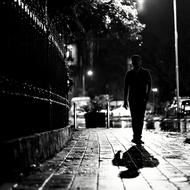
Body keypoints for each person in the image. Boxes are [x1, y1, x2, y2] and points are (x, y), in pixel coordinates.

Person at [123, 55, 151, 145]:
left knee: (140, 118)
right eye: (134, 61)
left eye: (137, 61)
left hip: (142, 98)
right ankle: (136, 136)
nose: (136, 63)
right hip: (132, 98)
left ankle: (138, 136)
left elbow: (149, 84)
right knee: (134, 118)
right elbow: (126, 87)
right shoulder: (129, 73)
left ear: (140, 62)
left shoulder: (145, 72)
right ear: (132, 62)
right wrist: (125, 100)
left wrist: (147, 96)